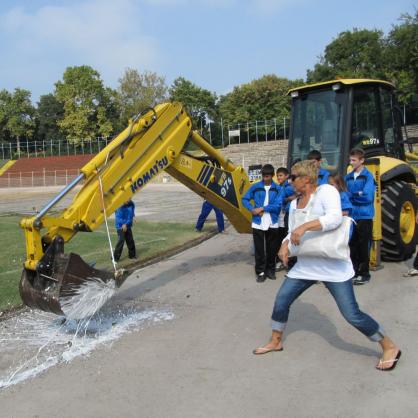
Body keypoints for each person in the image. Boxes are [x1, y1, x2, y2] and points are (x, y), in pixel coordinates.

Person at [252, 160, 401, 371]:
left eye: (293, 177)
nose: (289, 181)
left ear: (306, 179)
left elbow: (334, 219)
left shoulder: (326, 192)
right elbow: (291, 231)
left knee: (352, 314)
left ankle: (389, 345)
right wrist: (285, 245)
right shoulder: (294, 203)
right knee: (282, 300)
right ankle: (276, 341)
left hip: (333, 267)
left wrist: (304, 228)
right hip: (306, 265)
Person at [242, 164, 283, 282]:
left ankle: (270, 270)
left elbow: (278, 205)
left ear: (272, 176)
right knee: (259, 249)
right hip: (257, 222)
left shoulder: (278, 189)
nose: (266, 178)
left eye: (268, 176)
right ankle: (260, 272)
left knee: (272, 248)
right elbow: (244, 199)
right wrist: (252, 209)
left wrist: (262, 208)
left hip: (272, 221)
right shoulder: (255, 187)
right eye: (264, 176)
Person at [345, 148, 376, 285]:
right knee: (352, 244)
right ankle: (354, 271)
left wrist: (353, 196)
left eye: (354, 160)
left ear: (362, 160)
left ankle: (364, 273)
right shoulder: (348, 177)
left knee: (364, 245)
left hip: (364, 215)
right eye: (350, 160)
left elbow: (368, 197)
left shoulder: (368, 177)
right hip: (352, 216)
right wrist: (357, 194)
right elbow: (346, 195)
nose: (351, 163)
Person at [275, 167, 294, 271]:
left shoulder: (289, 187)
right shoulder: (279, 187)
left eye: (280, 175)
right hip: (280, 216)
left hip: (287, 214)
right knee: (280, 238)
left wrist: (286, 199)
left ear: (287, 176)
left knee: (287, 238)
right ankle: (281, 260)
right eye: (277, 176)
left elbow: (296, 195)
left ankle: (288, 262)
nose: (278, 177)